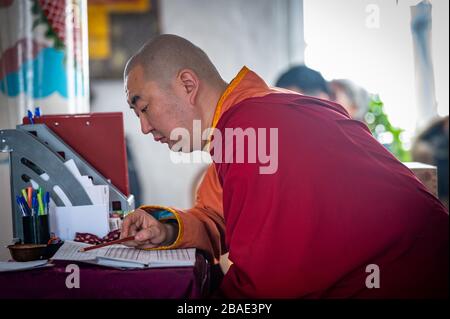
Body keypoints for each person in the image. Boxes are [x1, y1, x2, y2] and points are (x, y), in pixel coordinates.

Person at [121, 34, 448, 298]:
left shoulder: (251, 127)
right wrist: (164, 227)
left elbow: (269, 287)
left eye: (144, 107)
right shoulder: (243, 125)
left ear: (188, 85)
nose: (145, 128)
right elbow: (215, 216)